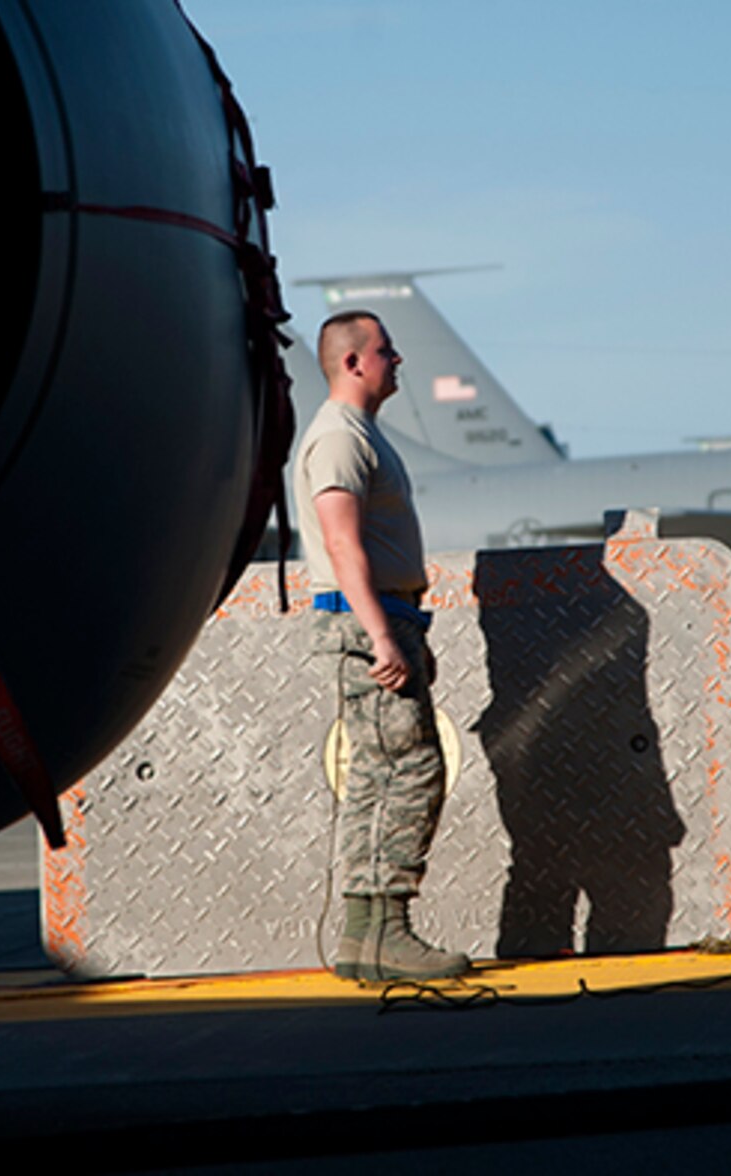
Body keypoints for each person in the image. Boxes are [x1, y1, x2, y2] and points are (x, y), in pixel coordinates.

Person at [293, 310, 469, 981]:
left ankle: (367, 938)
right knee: (409, 771)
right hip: (365, 622)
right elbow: (342, 543)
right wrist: (380, 637)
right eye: (387, 352)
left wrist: (403, 632)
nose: (398, 363)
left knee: (380, 776)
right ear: (353, 363)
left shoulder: (360, 434)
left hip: (386, 619)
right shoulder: (339, 437)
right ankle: (384, 932)